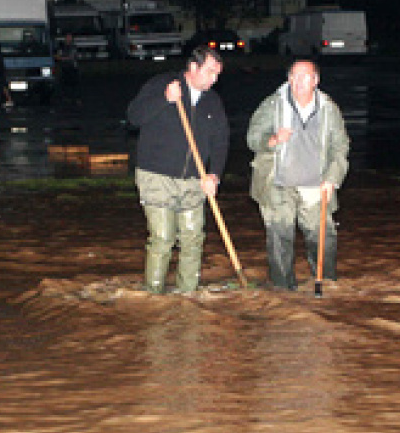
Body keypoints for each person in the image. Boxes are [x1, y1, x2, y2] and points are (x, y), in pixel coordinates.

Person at [126, 46, 229, 293]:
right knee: (162, 238)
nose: (214, 79)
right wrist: (164, 99)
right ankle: (153, 294)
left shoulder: (212, 101)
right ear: (193, 68)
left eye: (218, 74)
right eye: (210, 72)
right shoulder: (162, 84)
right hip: (157, 176)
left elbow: (221, 140)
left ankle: (188, 295)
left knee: (193, 239)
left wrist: (214, 174)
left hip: (195, 179)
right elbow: (134, 116)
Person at [246, 59, 349, 290]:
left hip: (315, 186)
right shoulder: (273, 104)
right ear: (288, 79)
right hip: (277, 184)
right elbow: (253, 137)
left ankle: (328, 286)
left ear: (316, 80)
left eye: (304, 76)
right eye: (293, 76)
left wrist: (333, 178)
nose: (298, 81)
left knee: (323, 239)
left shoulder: (328, 108)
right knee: (279, 240)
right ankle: (283, 292)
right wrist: (271, 140)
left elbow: (340, 146)